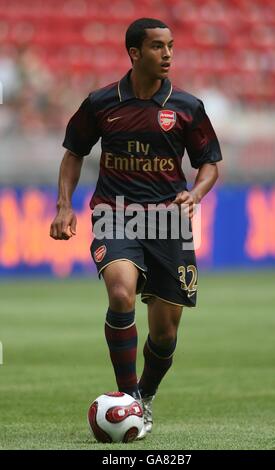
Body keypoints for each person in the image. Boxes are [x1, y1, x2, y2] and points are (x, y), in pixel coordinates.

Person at [50, 17, 222, 440]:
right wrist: (63, 206)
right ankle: (127, 397)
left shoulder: (187, 107)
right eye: (158, 47)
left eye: (171, 47)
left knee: (164, 334)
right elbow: (74, 152)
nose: (167, 55)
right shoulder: (101, 103)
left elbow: (210, 164)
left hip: (168, 222)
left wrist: (195, 194)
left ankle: (143, 397)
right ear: (134, 53)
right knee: (122, 292)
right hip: (115, 213)